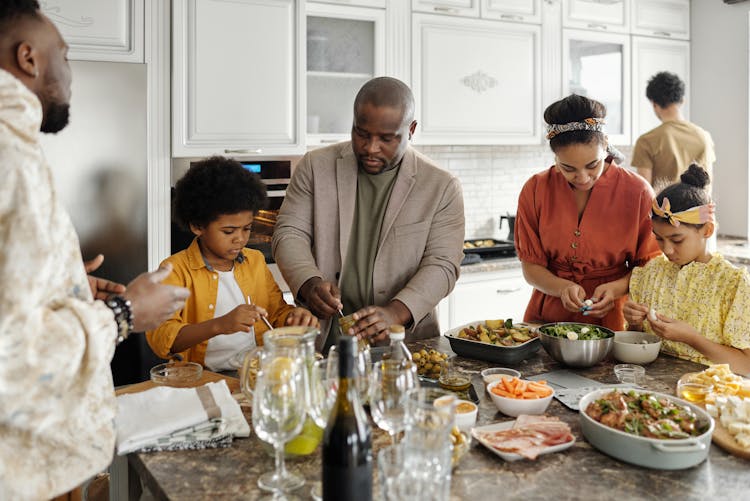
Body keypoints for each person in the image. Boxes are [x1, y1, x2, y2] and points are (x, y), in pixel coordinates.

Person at [0, 2, 189, 499]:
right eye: (63, 53)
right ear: (28, 58)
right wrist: (125, 314)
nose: (70, 72)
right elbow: (10, 357)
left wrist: (63, 282)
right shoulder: (11, 160)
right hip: (23, 475)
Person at [272, 77, 465, 350]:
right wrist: (310, 283)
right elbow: (289, 233)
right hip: (324, 341)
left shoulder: (441, 186)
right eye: (361, 134)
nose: (370, 148)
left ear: (411, 130)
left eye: (386, 139)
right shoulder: (315, 166)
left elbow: (443, 265)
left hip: (405, 347)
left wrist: (395, 313)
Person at [146, 156, 318, 370]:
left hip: (255, 373)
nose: (240, 238)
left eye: (247, 228)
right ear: (198, 226)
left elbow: (276, 314)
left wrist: (294, 317)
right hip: (202, 378)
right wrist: (220, 325)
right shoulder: (175, 271)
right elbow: (162, 338)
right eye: (228, 231)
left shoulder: (254, 261)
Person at [515, 94, 661, 331]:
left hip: (613, 317)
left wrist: (614, 290)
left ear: (605, 146)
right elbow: (531, 268)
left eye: (593, 165)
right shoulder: (535, 189)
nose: (582, 178)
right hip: (546, 318)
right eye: (568, 168)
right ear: (555, 157)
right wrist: (561, 288)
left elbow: (651, 268)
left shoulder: (638, 192)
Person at [625, 165, 750, 375]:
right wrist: (634, 325)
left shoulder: (733, 285)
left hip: (707, 392)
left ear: (707, 230)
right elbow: (639, 342)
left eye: (677, 239)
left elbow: (746, 366)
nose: (667, 250)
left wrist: (692, 338)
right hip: (652, 386)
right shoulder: (650, 274)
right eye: (659, 239)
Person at [631, 71, 716, 189]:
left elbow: (645, 192)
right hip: (700, 206)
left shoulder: (646, 141)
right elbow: (707, 186)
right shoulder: (704, 137)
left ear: (654, 103)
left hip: (664, 207)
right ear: (682, 100)